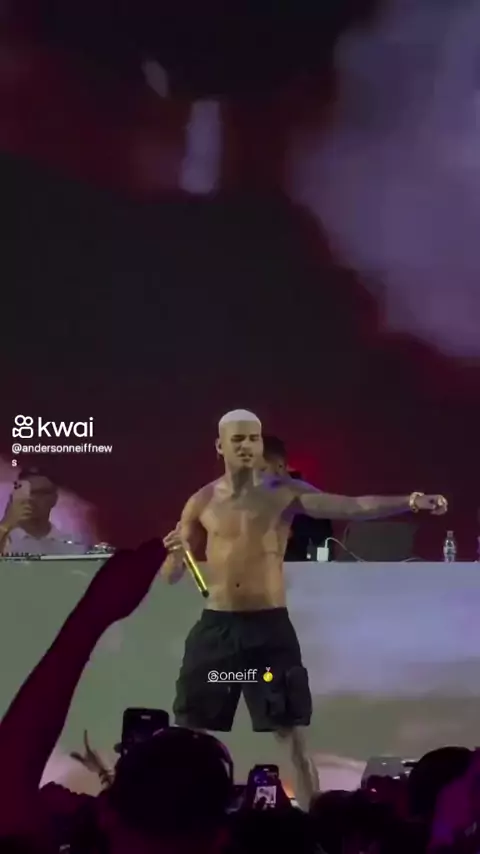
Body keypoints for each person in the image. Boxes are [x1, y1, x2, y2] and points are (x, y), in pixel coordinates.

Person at [161, 409, 448, 811]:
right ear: (219, 446)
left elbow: (353, 506)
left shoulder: (283, 492)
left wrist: (411, 501)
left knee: (290, 734)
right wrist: (176, 554)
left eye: (253, 438)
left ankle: (317, 822)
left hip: (267, 629)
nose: (247, 446)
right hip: (217, 629)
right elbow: (171, 575)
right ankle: (183, 816)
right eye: (238, 439)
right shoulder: (202, 500)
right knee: (191, 733)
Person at [261, 434, 334, 560]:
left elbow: (323, 537)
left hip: (296, 564)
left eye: (261, 469)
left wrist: (292, 533)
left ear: (279, 466)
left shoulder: (308, 495)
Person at [0, 468, 87, 556]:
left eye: (40, 493)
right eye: (27, 492)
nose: (31, 498)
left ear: (54, 498)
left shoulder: (72, 545)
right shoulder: (5, 539)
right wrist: (7, 522)